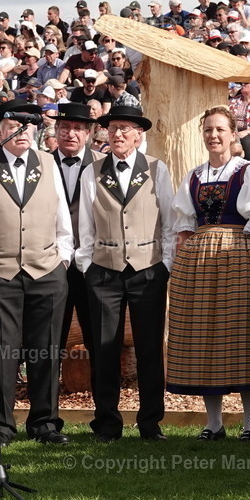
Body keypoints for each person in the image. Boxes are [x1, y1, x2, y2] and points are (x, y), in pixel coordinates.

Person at [167, 106, 250, 441]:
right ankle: (214, 423)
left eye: (220, 130)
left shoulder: (247, 171)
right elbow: (184, 227)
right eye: (208, 130)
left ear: (233, 134)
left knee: (242, 337)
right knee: (204, 337)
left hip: (237, 257)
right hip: (198, 261)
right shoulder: (194, 176)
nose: (214, 135)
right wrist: (180, 265)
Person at [0, 99, 73, 446]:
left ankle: (45, 424)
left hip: (46, 270)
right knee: (2, 354)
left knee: (46, 351)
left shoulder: (48, 162)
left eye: (28, 127)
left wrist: (63, 259)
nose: (22, 133)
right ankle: (1, 426)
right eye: (14, 126)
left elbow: (62, 216)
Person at [75, 104, 175, 442]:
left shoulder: (157, 169)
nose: (118, 134)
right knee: (105, 348)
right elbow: (85, 226)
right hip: (104, 271)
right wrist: (88, 266)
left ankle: (150, 423)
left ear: (138, 135)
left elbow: (169, 222)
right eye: (113, 127)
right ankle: (107, 423)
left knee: (149, 348)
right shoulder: (92, 172)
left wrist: (165, 264)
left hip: (148, 270)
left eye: (125, 128)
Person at [49, 102, 104, 371]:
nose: (71, 134)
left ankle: (101, 394)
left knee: (97, 334)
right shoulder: (41, 165)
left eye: (78, 128)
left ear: (88, 133)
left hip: (93, 263)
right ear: (56, 130)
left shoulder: (104, 165)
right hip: (52, 263)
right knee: (50, 337)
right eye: (65, 127)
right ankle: (47, 394)